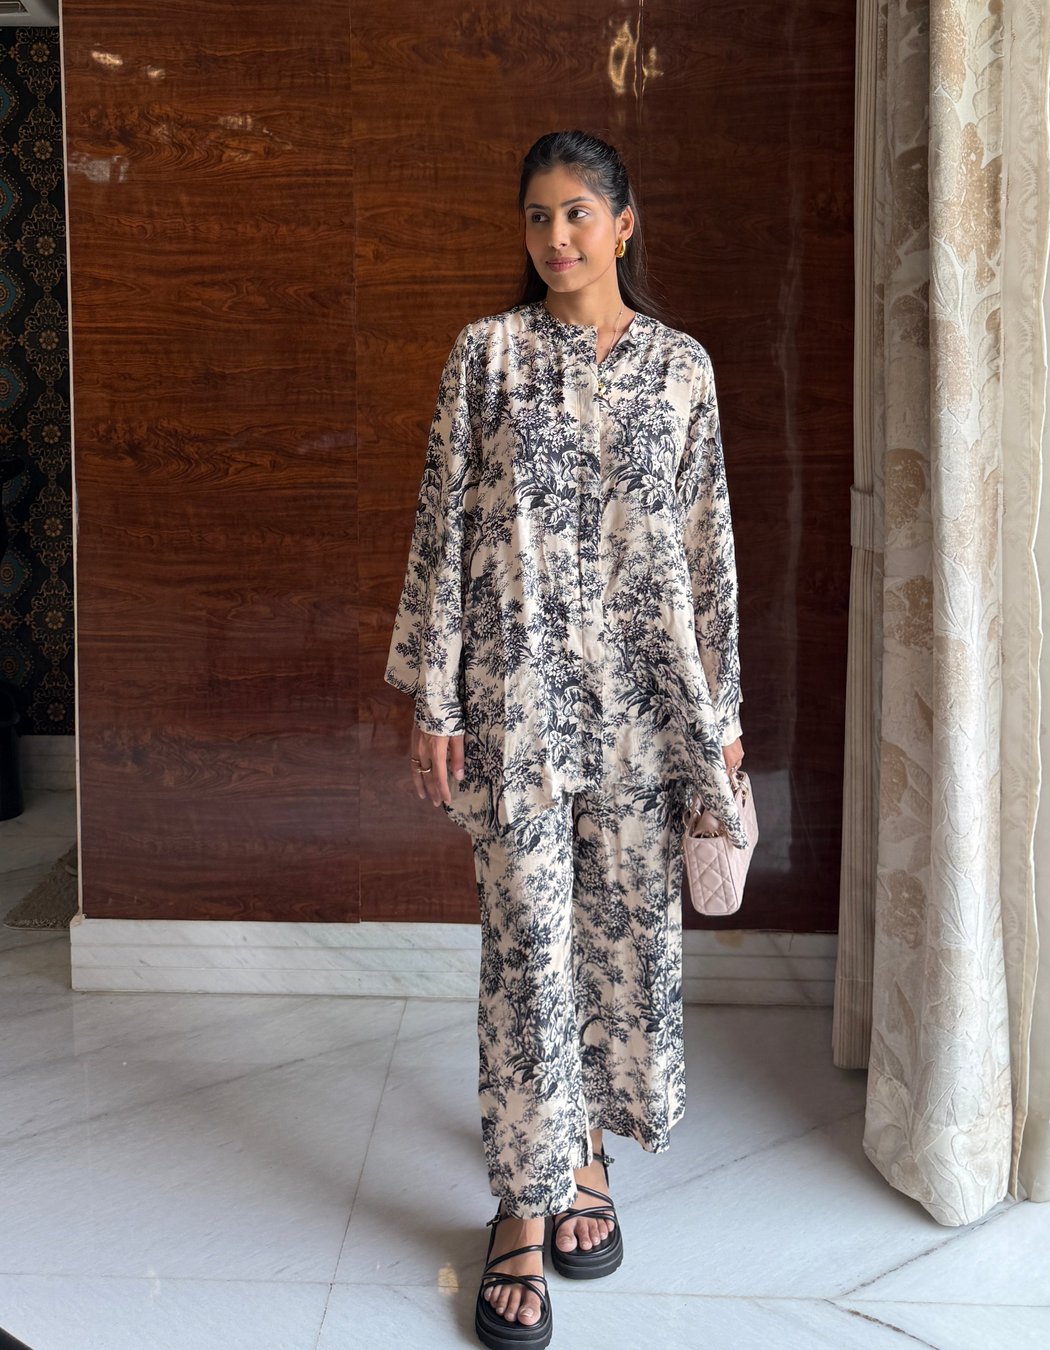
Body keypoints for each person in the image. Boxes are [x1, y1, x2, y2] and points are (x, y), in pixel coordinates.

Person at [384, 129, 745, 1350]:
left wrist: (724, 723)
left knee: (620, 942)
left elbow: (707, 549)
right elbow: (442, 528)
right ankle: (524, 1206)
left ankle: (588, 1148)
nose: (556, 237)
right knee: (531, 949)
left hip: (647, 716)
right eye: (537, 216)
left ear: (625, 223)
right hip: (518, 707)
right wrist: (436, 696)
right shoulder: (485, 357)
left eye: (579, 212)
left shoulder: (682, 369)